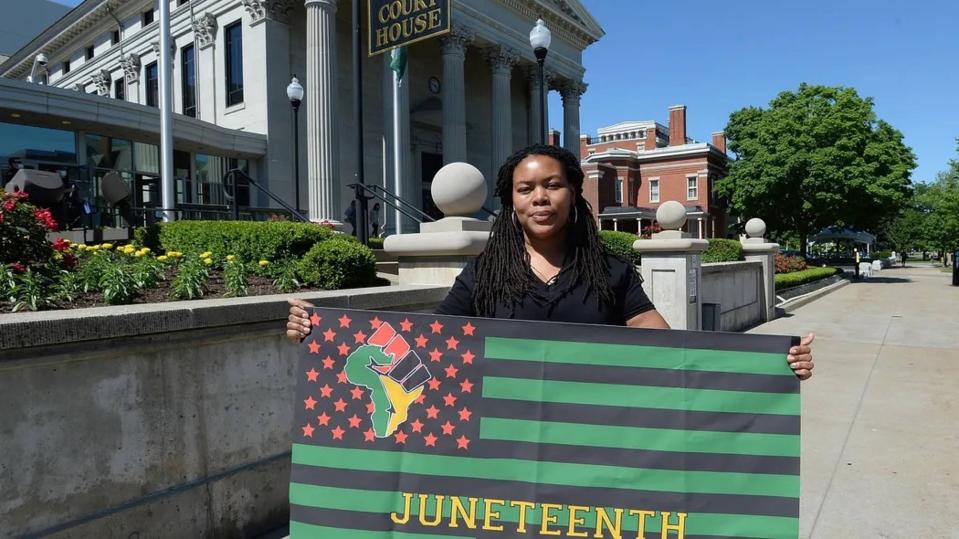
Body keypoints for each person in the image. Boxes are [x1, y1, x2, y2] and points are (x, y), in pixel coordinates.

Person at [288, 144, 814, 380]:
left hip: (585, 457)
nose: (539, 197)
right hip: (498, 454)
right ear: (511, 202)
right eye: (525, 189)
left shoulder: (610, 273)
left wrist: (768, 365)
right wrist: (326, 334)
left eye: (552, 185)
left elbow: (669, 354)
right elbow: (422, 344)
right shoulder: (484, 276)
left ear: (572, 195)